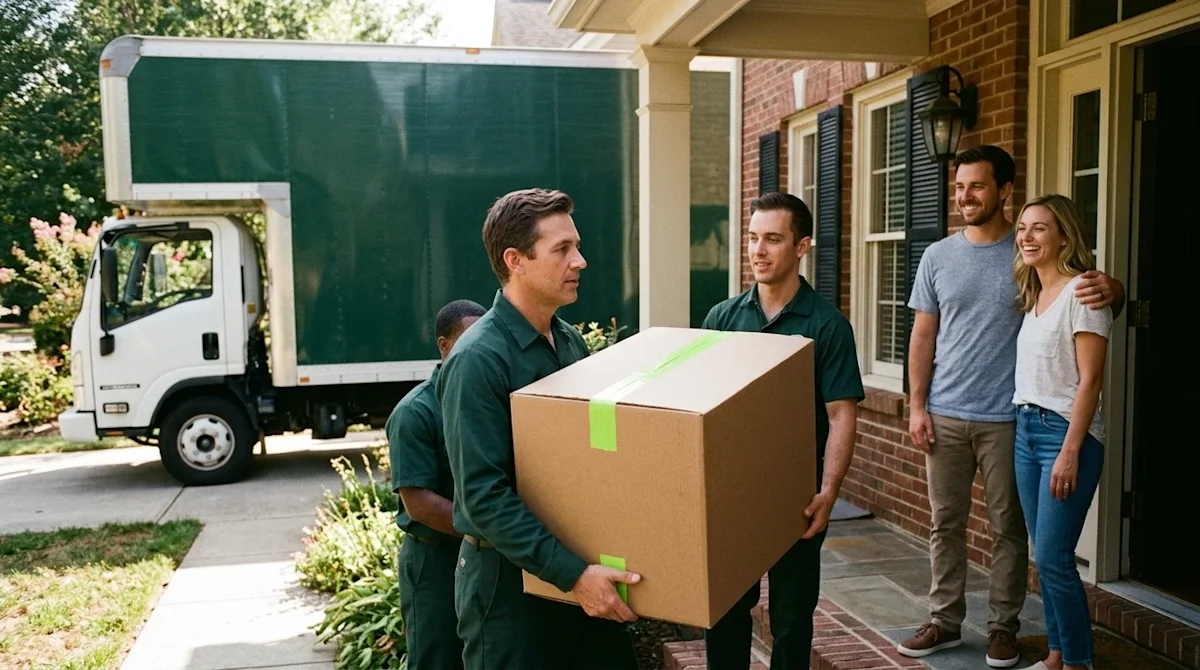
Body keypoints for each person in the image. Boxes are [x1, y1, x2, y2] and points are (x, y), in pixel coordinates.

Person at [899, 145, 1124, 668]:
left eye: (976, 186)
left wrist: (1113, 287)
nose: (965, 196)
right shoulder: (941, 256)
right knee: (945, 522)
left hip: (1011, 419)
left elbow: (1089, 298)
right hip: (948, 412)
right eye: (959, 187)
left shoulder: (1031, 259)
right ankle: (944, 621)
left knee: (1010, 532)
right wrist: (916, 405)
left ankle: (1004, 628)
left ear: (1004, 191)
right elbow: (922, 335)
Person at [435, 188, 640, 670]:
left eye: (577, 245)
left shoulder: (568, 341)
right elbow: (484, 496)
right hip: (510, 594)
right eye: (562, 249)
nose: (581, 261)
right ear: (516, 260)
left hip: (578, 570)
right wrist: (574, 576)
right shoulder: (476, 360)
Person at [702, 192, 865, 670]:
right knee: (726, 614)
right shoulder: (722, 320)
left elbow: (841, 415)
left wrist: (829, 491)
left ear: (802, 246)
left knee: (792, 620)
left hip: (797, 497)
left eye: (773, 239)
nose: (758, 249)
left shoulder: (828, 326)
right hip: (732, 494)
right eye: (753, 238)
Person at [1011, 195, 1111, 670]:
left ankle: (1078, 661)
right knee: (1042, 554)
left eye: (1039, 229)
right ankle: (1056, 653)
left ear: (1064, 237)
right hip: (1026, 432)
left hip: (1064, 436)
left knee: (1053, 556)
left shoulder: (1084, 294)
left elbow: (1091, 380)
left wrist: (1070, 450)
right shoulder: (1034, 296)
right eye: (1023, 228)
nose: (1026, 237)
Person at [386, 298, 486, 670]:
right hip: (435, 559)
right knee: (437, 657)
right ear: (444, 346)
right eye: (469, 338)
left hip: (477, 552)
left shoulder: (483, 400)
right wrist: (487, 531)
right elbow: (420, 504)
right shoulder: (415, 412)